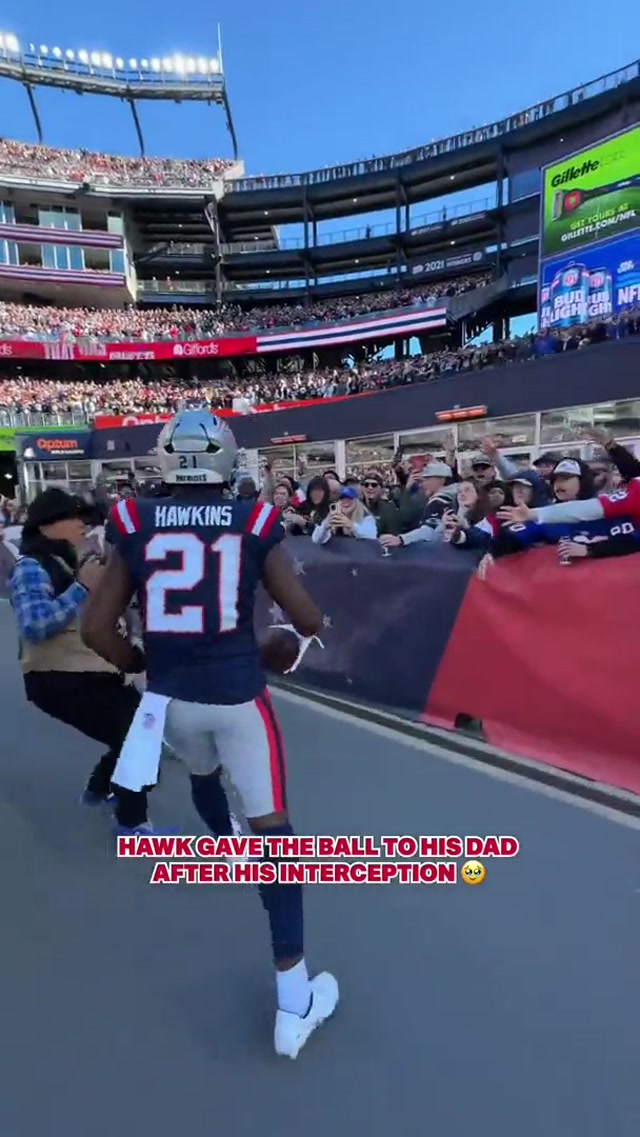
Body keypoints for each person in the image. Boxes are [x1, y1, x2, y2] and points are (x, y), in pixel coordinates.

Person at [80, 410, 338, 1059]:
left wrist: (139, 662)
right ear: (224, 458)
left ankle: (224, 843)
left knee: (200, 774)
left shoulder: (134, 520)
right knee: (277, 837)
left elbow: (94, 630)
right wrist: (281, 642)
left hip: (170, 697)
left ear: (167, 458)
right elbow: (306, 615)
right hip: (236, 694)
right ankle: (293, 1001)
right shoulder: (251, 520)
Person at [7, 488, 151, 833]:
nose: (84, 524)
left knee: (141, 732)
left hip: (96, 670)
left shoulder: (75, 560)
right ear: (47, 526)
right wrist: (81, 589)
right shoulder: (31, 567)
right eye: (74, 518)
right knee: (137, 738)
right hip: (58, 678)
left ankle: (100, 793)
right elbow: (35, 624)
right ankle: (131, 821)